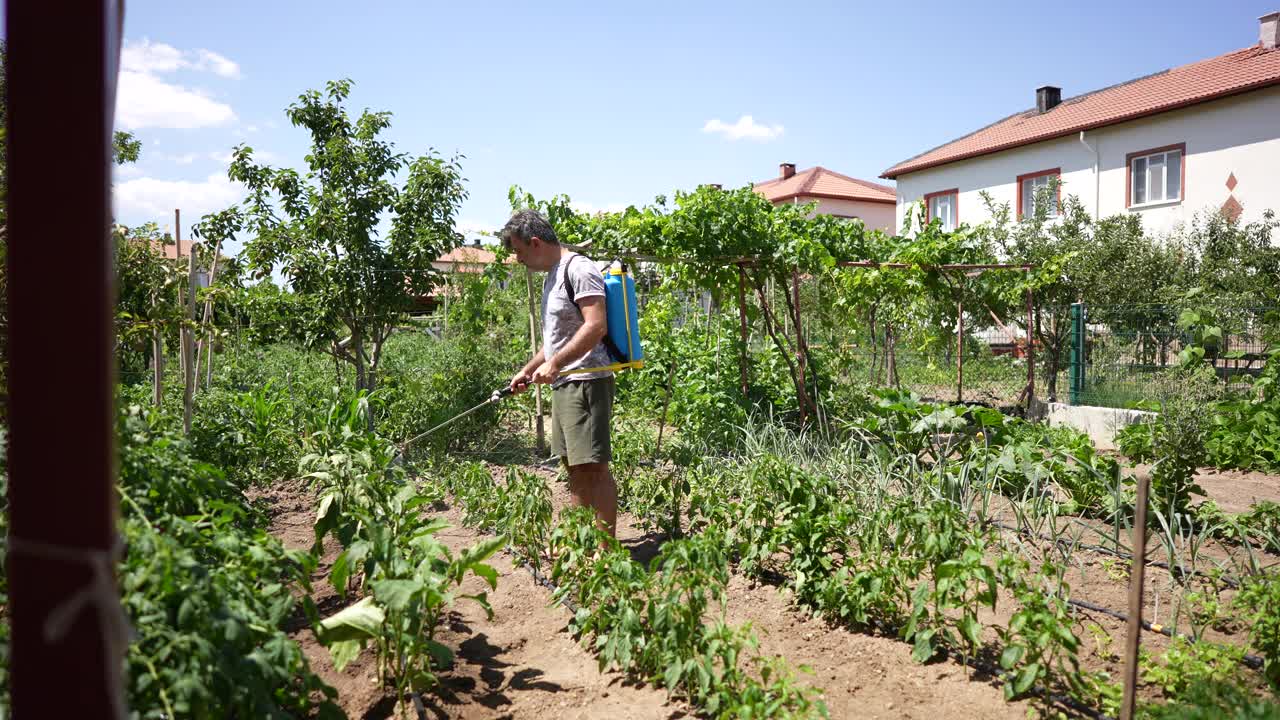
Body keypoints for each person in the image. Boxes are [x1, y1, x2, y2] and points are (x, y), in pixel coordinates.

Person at [501, 209, 617, 537]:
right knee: (574, 469)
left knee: (593, 469)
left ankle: (605, 556)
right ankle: (580, 546)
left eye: (520, 251)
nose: (519, 259)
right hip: (565, 384)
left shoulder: (579, 269)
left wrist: (556, 364)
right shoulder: (553, 275)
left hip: (586, 382)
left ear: (535, 242)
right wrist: (527, 370)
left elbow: (595, 326)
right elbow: (556, 339)